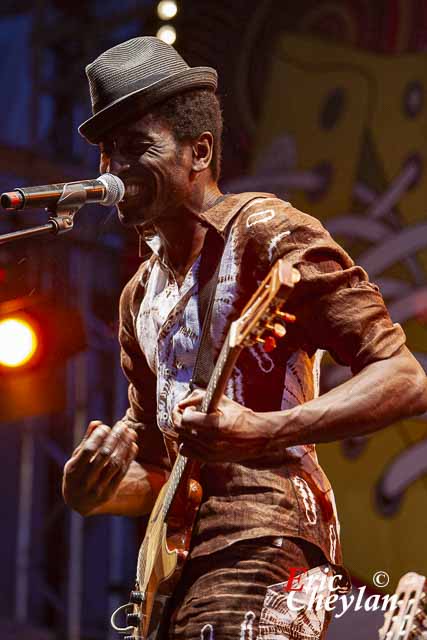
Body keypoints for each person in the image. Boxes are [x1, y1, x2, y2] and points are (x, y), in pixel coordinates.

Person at [62, 37, 427, 639]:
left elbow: (405, 377)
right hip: (177, 570)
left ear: (198, 150)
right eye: (106, 154)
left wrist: (266, 429)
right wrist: (93, 492)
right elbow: (160, 468)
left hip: (268, 532)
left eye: (134, 149)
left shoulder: (266, 231)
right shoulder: (138, 296)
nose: (112, 173)